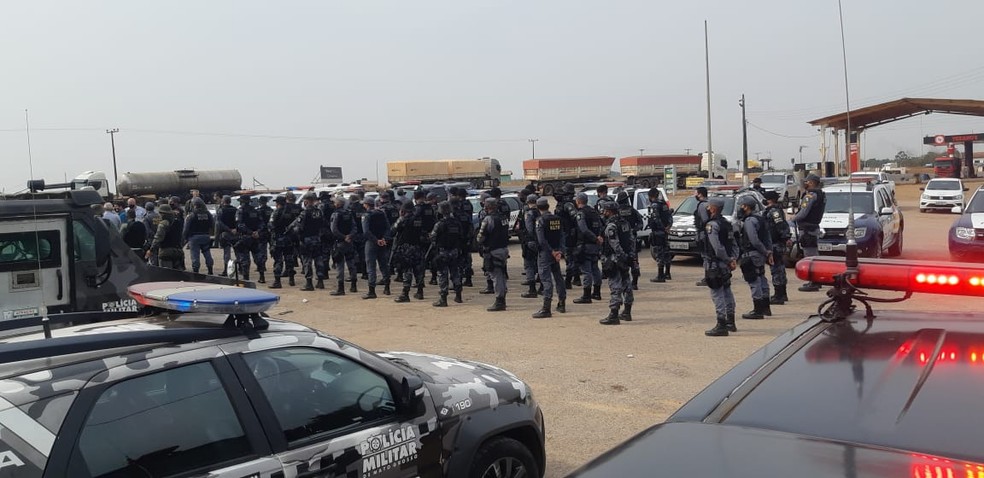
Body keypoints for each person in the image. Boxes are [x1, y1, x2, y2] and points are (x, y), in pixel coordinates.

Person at [703, 198, 738, 337]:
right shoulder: (727, 224)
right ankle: (731, 321)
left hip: (715, 264)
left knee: (717, 294)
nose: (707, 209)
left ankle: (721, 324)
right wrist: (733, 259)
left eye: (709, 207)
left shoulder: (712, 225)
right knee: (727, 291)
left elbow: (717, 247)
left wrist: (728, 259)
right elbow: (734, 243)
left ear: (713, 208)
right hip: (726, 264)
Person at [736, 195, 773, 320]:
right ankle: (766, 308)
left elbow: (754, 240)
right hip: (761, 254)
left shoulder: (749, 221)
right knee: (762, 278)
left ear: (746, 207)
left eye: (741, 206)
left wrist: (765, 252)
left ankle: (758, 310)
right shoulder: (760, 219)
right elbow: (767, 237)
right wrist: (768, 252)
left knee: (754, 280)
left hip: (752, 254)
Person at [599, 200, 635, 325]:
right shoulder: (625, 223)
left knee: (615, 286)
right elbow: (631, 240)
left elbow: (615, 244)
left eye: (605, 210)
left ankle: (614, 314)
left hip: (615, 259)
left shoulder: (611, 226)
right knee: (627, 284)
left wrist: (622, 257)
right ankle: (627, 312)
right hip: (626, 258)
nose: (603, 212)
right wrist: (630, 256)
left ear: (609, 211)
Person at [532, 197, 566, 318]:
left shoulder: (540, 220)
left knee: (546, 280)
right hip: (556, 252)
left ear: (538, 207)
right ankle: (562, 303)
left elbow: (541, 240)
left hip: (546, 254)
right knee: (558, 278)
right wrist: (559, 251)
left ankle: (546, 308)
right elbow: (562, 236)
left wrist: (552, 252)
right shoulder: (557, 219)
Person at [791, 174, 826, 292]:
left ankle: (814, 281)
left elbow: (803, 213)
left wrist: (793, 218)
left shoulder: (810, 195)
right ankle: (815, 280)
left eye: (806, 182)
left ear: (811, 183)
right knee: (814, 255)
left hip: (807, 229)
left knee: (810, 257)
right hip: (813, 228)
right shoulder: (821, 194)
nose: (804, 183)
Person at [476, 198, 510, 311]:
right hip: (504, 249)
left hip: (493, 250)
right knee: (502, 274)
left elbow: (480, 237)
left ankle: (500, 301)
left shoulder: (488, 219)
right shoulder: (503, 217)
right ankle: (502, 298)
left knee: (496, 275)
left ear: (487, 207)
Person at [289, 191, 326, 291]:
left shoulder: (304, 213)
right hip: (317, 238)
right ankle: (320, 281)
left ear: (306, 201)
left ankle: (309, 283)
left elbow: (299, 228)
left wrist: (293, 231)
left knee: (307, 261)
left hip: (306, 240)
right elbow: (322, 224)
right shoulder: (319, 212)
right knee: (318, 260)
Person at [572, 192, 604, 304]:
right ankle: (597, 292)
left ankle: (586, 295)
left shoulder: (581, 213)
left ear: (578, 201)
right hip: (595, 245)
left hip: (585, 245)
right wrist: (599, 237)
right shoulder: (594, 212)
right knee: (595, 268)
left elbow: (584, 229)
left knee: (586, 271)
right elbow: (601, 226)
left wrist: (595, 238)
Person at [430, 201, 463, 307]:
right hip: (455, 251)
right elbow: (461, 236)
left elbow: (433, 237)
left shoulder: (440, 224)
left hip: (443, 251)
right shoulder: (457, 223)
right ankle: (458, 295)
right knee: (455, 273)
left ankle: (443, 298)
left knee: (442, 274)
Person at [763, 191, 792, 304]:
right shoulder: (772, 210)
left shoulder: (774, 211)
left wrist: (786, 237)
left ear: (769, 200)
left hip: (776, 243)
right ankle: (781, 294)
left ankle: (779, 295)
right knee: (779, 269)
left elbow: (781, 226)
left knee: (776, 270)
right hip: (775, 242)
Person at [392, 202, 425, 303]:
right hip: (417, 247)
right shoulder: (418, 219)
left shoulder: (404, 219)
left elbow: (393, 230)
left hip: (406, 248)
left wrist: (400, 218)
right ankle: (420, 292)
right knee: (418, 270)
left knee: (407, 270)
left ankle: (405, 293)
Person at [361, 197, 391, 298]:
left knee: (371, 267)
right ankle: (387, 287)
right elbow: (388, 228)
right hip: (382, 242)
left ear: (366, 205)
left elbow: (366, 231)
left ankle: (372, 291)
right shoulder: (382, 213)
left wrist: (375, 240)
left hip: (371, 243)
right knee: (384, 265)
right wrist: (384, 239)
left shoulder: (366, 215)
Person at [235, 194, 268, 282]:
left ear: (241, 202)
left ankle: (246, 279)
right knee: (258, 257)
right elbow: (262, 223)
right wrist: (257, 232)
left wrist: (250, 232)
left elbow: (240, 225)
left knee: (245, 259)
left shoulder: (240, 211)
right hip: (255, 237)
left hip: (245, 237)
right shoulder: (255, 211)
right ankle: (262, 276)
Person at [330, 196, 358, 295]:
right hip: (349, 242)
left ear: (338, 204)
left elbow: (334, 229)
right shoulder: (349, 213)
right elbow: (354, 227)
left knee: (340, 265)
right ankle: (354, 285)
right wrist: (350, 236)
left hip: (340, 242)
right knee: (351, 263)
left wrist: (343, 237)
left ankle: (340, 288)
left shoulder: (336, 214)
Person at [616, 191, 643, 290]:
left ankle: (623, 282)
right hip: (632, 240)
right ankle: (634, 283)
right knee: (634, 261)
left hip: (620, 240)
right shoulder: (632, 210)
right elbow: (640, 223)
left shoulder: (617, 212)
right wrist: (634, 230)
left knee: (620, 260)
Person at [555, 183, 580, 289]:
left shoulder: (568, 204)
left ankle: (569, 280)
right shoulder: (565, 204)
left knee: (570, 257)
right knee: (572, 257)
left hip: (569, 234)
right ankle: (576, 278)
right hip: (566, 233)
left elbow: (576, 217)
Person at [145, 204, 184, 270]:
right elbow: (183, 236)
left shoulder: (163, 223)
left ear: (162, 214)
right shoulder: (178, 222)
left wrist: (151, 250)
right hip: (178, 250)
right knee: (178, 273)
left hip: (165, 251)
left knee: (166, 273)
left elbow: (158, 238)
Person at [268, 196, 295, 289]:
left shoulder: (276, 212)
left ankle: (277, 281)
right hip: (289, 239)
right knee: (289, 259)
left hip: (278, 239)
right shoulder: (291, 212)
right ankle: (291, 279)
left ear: (278, 203)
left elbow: (271, 225)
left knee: (278, 260)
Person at [647, 188, 674, 283]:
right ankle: (668, 273)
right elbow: (669, 216)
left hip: (659, 232)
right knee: (666, 252)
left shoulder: (654, 205)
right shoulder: (663, 204)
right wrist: (668, 226)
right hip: (665, 231)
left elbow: (656, 219)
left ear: (650, 196)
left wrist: (662, 228)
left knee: (659, 253)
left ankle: (660, 276)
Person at [183, 197, 215, 275]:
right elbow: (212, 225)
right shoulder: (208, 214)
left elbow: (186, 229)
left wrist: (184, 238)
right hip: (205, 236)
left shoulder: (191, 215)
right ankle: (210, 270)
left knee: (195, 255)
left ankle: (196, 271)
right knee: (207, 253)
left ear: (194, 205)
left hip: (194, 238)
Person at [451, 188, 475, 287]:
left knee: (458, 260)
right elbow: (470, 224)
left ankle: (459, 280)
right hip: (467, 237)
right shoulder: (468, 206)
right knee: (467, 258)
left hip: (458, 239)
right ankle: (468, 279)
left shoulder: (455, 214)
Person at [519, 193, 541, 299]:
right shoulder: (540, 213)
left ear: (528, 202)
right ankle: (542, 287)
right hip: (540, 242)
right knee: (540, 263)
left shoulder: (529, 213)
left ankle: (532, 289)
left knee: (529, 265)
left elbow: (530, 229)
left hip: (530, 242)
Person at [215, 195, 238, 276]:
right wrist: (235, 229)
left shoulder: (221, 210)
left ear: (223, 201)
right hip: (236, 233)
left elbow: (219, 223)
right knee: (238, 251)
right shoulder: (235, 209)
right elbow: (239, 221)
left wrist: (229, 230)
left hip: (225, 234)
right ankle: (241, 269)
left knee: (227, 253)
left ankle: (226, 270)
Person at [692, 187, 711, 286]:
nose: (694, 195)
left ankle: (708, 278)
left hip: (704, 234)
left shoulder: (702, 205)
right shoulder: (709, 203)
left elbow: (704, 220)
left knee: (706, 256)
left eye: (696, 193)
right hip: (708, 233)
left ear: (700, 194)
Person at [256, 195, 273, 278]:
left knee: (262, 250)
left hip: (262, 232)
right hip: (270, 232)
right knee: (272, 249)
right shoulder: (271, 210)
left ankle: (262, 266)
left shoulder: (258, 211)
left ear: (260, 202)